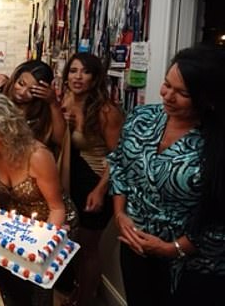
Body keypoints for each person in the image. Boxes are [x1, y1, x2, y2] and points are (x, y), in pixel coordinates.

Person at [109, 46, 225, 306]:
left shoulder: (215, 144)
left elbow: (219, 223)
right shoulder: (142, 118)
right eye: (166, 84)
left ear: (208, 99)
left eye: (182, 93)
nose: (167, 95)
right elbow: (119, 167)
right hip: (135, 249)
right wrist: (120, 214)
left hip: (193, 267)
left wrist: (170, 248)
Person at [0, 93, 77, 306]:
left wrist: (44, 246)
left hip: (54, 221)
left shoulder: (37, 155)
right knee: (9, 282)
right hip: (19, 224)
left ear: (8, 130)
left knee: (38, 286)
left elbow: (57, 208)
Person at [60, 52, 123, 306]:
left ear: (95, 78)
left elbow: (119, 157)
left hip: (97, 181)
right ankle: (78, 292)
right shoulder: (66, 99)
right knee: (74, 244)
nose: (78, 77)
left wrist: (100, 190)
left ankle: (84, 300)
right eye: (73, 71)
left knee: (88, 247)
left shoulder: (106, 111)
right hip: (74, 178)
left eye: (84, 72)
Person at [4, 59, 65, 147]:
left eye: (31, 91)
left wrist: (53, 103)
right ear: (14, 79)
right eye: (21, 84)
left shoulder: (42, 115)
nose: (22, 92)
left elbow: (60, 140)